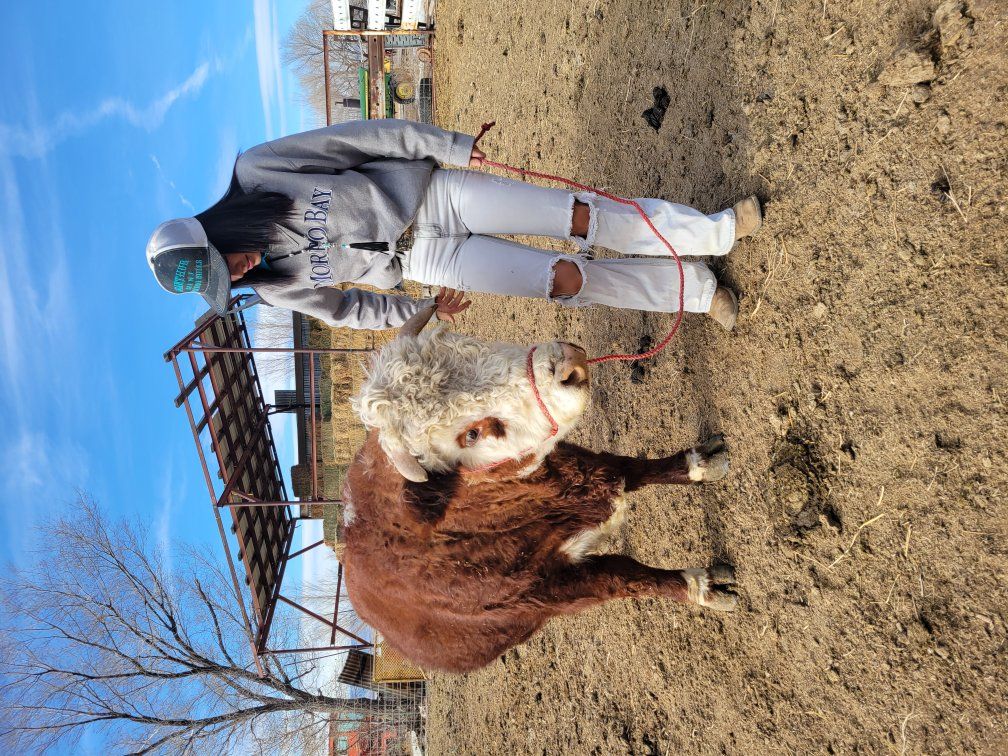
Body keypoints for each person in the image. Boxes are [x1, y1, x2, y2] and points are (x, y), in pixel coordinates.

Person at [146, 119, 761, 331]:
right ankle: (697, 292)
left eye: (226, 262)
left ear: (215, 231)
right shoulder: (277, 288)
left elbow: (357, 140)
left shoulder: (258, 171)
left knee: (576, 216)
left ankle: (715, 231)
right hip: (425, 263)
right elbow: (348, 309)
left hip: (436, 199)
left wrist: (452, 147)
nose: (240, 274)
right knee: (564, 281)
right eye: (231, 282)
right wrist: (422, 312)